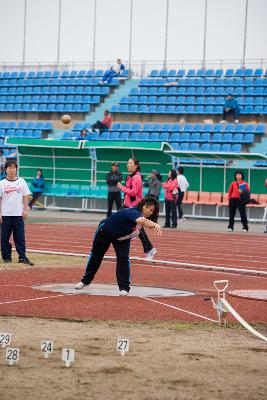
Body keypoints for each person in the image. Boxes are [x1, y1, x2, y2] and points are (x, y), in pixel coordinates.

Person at [75, 196, 161, 295]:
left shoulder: (144, 218)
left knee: (123, 259)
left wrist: (153, 224)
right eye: (147, 207)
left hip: (122, 238)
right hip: (105, 232)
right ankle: (85, 281)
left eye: (151, 210)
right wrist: (155, 225)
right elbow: (143, 221)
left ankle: (124, 288)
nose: (147, 211)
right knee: (96, 256)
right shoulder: (133, 212)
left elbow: (142, 225)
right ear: (142, 205)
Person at [117, 157, 157, 259]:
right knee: (126, 226)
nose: (128, 165)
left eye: (130, 163)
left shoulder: (137, 178)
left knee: (138, 229)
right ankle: (148, 248)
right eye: (127, 163)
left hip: (133, 206)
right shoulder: (131, 177)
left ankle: (149, 249)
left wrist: (121, 187)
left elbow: (134, 192)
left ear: (136, 166)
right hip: (127, 205)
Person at [0, 160, 33, 265]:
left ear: (16, 169)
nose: (12, 170)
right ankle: (6, 257)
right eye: (9, 168)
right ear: (5, 169)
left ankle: (22, 257)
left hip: (18, 215)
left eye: (14, 168)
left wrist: (25, 209)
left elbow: (26, 195)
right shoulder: (1, 183)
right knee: (4, 238)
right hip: (5, 215)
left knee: (20, 238)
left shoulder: (22, 181)